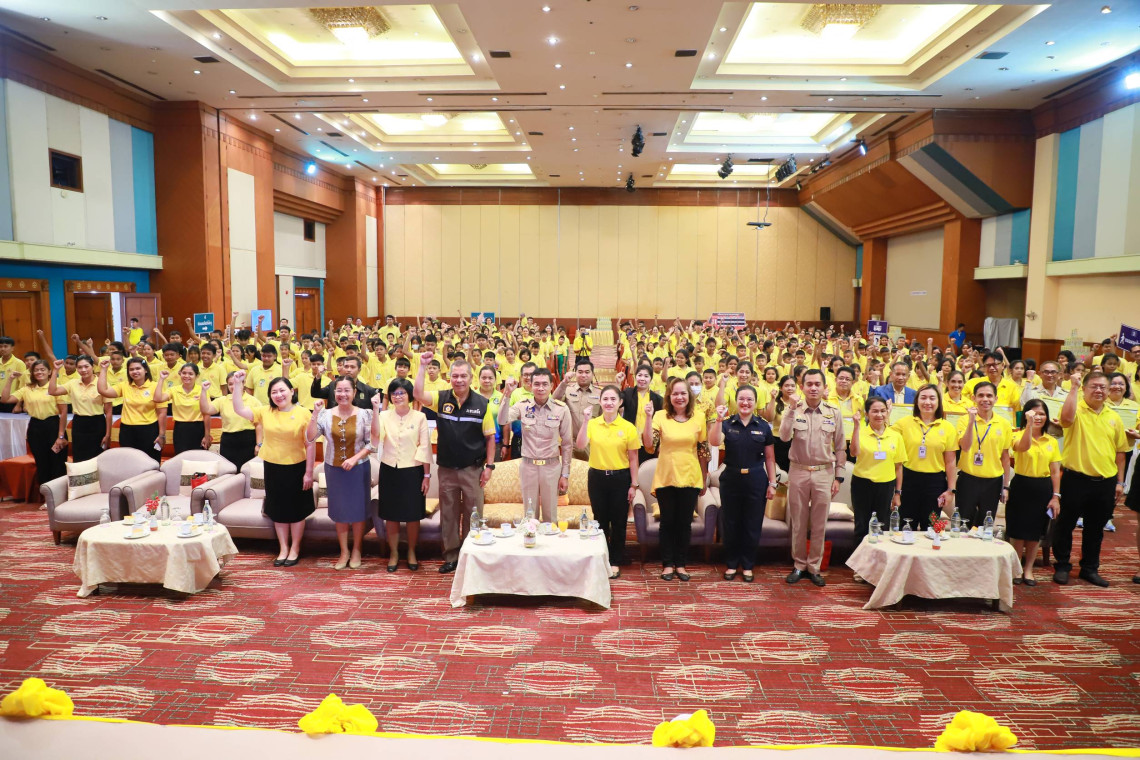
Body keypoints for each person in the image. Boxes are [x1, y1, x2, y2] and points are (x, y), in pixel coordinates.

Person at [413, 355, 495, 574]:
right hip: (447, 469)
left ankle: (471, 555)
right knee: (448, 515)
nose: (459, 380)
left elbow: (490, 438)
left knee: (473, 514)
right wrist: (422, 366)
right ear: (449, 377)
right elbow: (418, 394)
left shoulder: (482, 404)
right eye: (455, 376)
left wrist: (489, 467)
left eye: (463, 376)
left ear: (471, 378)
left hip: (473, 469)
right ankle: (451, 557)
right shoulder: (441, 398)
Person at [1052, 370, 1131, 587]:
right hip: (1075, 479)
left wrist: (1120, 482)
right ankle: (1062, 566)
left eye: (1103, 387)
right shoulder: (1075, 408)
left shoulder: (1114, 416)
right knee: (1065, 525)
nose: (1099, 390)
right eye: (1094, 386)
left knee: (1096, 528)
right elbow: (1065, 420)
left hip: (1105, 481)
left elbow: (1120, 452)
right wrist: (1073, 387)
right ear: (1085, 388)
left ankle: (1089, 568)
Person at [232, 374, 315, 567]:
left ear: (292, 391)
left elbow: (310, 444)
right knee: (278, 509)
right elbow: (239, 409)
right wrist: (237, 384)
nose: (278, 395)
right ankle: (283, 548)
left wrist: (309, 473)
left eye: (282, 390)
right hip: (273, 467)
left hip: (297, 467)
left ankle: (295, 548)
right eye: (274, 392)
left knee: (296, 510)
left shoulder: (304, 413)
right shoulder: (265, 411)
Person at [779, 369, 845, 587]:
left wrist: (839, 477)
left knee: (819, 524)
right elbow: (783, 436)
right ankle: (799, 565)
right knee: (798, 522)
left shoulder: (833, 412)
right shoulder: (794, 409)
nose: (813, 388)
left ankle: (814, 567)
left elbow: (840, 447)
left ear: (825, 387)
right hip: (798, 471)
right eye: (809, 384)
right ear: (802, 387)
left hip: (824, 473)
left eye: (818, 384)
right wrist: (790, 408)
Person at [307, 378, 379, 571]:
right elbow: (310, 437)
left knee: (358, 511)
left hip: (359, 468)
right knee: (339, 511)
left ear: (354, 393)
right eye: (339, 390)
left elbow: (372, 443)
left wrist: (355, 459)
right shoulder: (325, 414)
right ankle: (344, 551)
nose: (343, 394)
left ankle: (357, 549)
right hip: (334, 469)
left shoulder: (365, 414)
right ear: (334, 393)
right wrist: (314, 414)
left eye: (347, 390)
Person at [642, 376, 710, 582]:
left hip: (690, 477)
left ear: (689, 396)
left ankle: (680, 563)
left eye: (683, 393)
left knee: (684, 523)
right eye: (675, 394)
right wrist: (647, 418)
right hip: (666, 476)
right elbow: (649, 445)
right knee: (667, 522)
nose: (679, 397)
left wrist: (704, 477)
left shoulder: (699, 417)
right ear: (669, 397)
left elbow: (703, 451)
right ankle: (667, 564)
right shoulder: (660, 416)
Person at [709, 385, 776, 582]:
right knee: (730, 523)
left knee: (752, 524)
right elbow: (714, 442)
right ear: (736, 401)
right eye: (741, 399)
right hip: (731, 478)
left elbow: (770, 458)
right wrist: (718, 419)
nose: (745, 403)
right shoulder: (727, 423)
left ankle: (747, 565)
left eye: (749, 399)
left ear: (755, 402)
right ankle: (731, 564)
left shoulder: (763, 426)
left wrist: (772, 483)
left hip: (756, 479)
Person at [577, 385, 640, 579]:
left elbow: (633, 458)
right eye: (605, 399)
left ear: (620, 402)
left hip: (620, 478)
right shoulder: (593, 423)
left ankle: (615, 561)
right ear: (600, 401)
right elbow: (580, 445)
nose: (609, 403)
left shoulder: (628, 427)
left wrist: (634, 484)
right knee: (600, 520)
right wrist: (585, 421)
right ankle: (601, 557)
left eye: (613, 399)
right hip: (597, 477)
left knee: (619, 521)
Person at [499, 368, 573, 522]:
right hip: (528, 467)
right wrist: (507, 394)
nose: (541, 388)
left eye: (545, 384)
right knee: (530, 516)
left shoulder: (561, 409)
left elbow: (567, 444)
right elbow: (502, 420)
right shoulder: (522, 406)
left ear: (551, 386)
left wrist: (565, 474)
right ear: (530, 385)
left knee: (550, 516)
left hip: (551, 467)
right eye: (537, 384)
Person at [376, 377, 431, 572]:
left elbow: (425, 447)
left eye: (402, 393)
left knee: (412, 515)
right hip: (389, 469)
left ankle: (411, 552)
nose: (397, 396)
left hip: (413, 470)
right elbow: (376, 437)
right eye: (394, 393)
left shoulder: (419, 417)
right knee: (391, 515)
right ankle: (394, 553)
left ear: (409, 396)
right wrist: (375, 411)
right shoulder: (383, 416)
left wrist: (426, 476)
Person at [1008, 400, 1062, 586]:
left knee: (1035, 532)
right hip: (1021, 485)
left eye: (1042, 414)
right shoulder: (1017, 435)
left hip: (1042, 488)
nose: (1038, 417)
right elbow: (1022, 447)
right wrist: (1029, 426)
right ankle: (1016, 568)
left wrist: (1056, 496)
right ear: (1025, 415)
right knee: (1017, 530)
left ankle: (1028, 569)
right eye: (1033, 413)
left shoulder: (1051, 441)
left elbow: (1055, 472)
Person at [891, 384, 959, 530]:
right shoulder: (903, 424)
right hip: (908, 481)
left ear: (938, 402)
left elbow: (950, 462)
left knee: (931, 527)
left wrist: (951, 490)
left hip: (935, 483)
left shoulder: (947, 428)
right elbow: (885, 438)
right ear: (916, 401)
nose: (927, 402)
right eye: (923, 398)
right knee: (906, 526)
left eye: (932, 398)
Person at [849, 397, 906, 550]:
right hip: (862, 484)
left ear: (887, 412)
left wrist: (897, 493)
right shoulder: (860, 432)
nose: (879, 415)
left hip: (886, 485)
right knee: (862, 525)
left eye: (883, 411)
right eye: (874, 411)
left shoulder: (896, 436)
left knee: (882, 525)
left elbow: (898, 467)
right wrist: (856, 427)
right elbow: (854, 452)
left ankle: (880, 560)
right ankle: (859, 562)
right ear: (867, 414)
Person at [955, 382, 1014, 527]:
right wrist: (971, 422)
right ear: (973, 398)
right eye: (981, 395)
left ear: (996, 399)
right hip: (968, 479)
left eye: (989, 396)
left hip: (993, 482)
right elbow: (965, 447)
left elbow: (1005, 457)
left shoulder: (1004, 424)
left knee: (985, 526)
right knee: (963, 524)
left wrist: (1005, 487)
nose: (985, 399)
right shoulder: (963, 420)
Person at [0, 360, 68, 484]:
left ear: (49, 372)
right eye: (36, 370)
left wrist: (61, 436)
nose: (39, 372)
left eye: (42, 369)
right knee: (41, 463)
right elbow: (5, 399)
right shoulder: (27, 389)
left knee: (57, 462)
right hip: (35, 427)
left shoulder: (56, 387)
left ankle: (60, 493)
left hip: (53, 426)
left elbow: (63, 412)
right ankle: (45, 493)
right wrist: (10, 379)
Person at [97, 356, 166, 463]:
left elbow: (162, 413)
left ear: (145, 370)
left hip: (149, 430)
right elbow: (103, 390)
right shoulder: (124, 386)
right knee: (129, 463)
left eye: (138, 368)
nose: (135, 371)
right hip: (127, 431)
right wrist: (104, 369)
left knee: (149, 462)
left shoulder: (156, 386)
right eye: (131, 369)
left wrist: (161, 435)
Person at [47, 356, 110, 462]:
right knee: (79, 456)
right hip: (79, 423)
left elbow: (108, 412)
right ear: (76, 369)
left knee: (96, 458)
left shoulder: (102, 383)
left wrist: (107, 435)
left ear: (92, 366)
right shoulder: (73, 383)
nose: (83, 370)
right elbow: (52, 391)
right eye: (80, 367)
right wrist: (55, 370)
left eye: (86, 366)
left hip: (97, 423)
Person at [200, 373, 262, 472]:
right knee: (228, 471)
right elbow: (206, 410)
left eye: (236, 383)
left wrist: (259, 444)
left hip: (248, 440)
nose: (233, 386)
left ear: (244, 383)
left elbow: (258, 425)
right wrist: (203, 391)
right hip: (228, 441)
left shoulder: (254, 401)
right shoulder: (222, 400)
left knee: (246, 471)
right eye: (230, 384)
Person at [153, 364, 211, 455]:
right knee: (181, 457)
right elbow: (157, 398)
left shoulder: (202, 390)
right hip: (180, 429)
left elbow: (206, 414)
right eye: (184, 373)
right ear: (180, 374)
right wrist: (161, 379)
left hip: (198, 428)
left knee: (198, 458)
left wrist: (207, 436)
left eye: (190, 374)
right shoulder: (174, 390)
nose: (187, 376)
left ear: (197, 376)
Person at [553, 358, 602, 460]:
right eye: (580, 372)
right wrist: (564, 382)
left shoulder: (600, 393)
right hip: (570, 442)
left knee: (590, 468)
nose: (583, 375)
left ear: (592, 374)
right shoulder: (567, 389)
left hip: (592, 442)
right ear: (575, 373)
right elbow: (554, 401)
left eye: (587, 372)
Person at [619, 365, 663, 463]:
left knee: (644, 469)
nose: (642, 379)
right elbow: (617, 402)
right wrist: (618, 383)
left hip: (648, 444)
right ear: (635, 377)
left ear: (651, 379)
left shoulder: (657, 399)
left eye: (646, 376)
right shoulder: (628, 393)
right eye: (640, 375)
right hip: (629, 441)